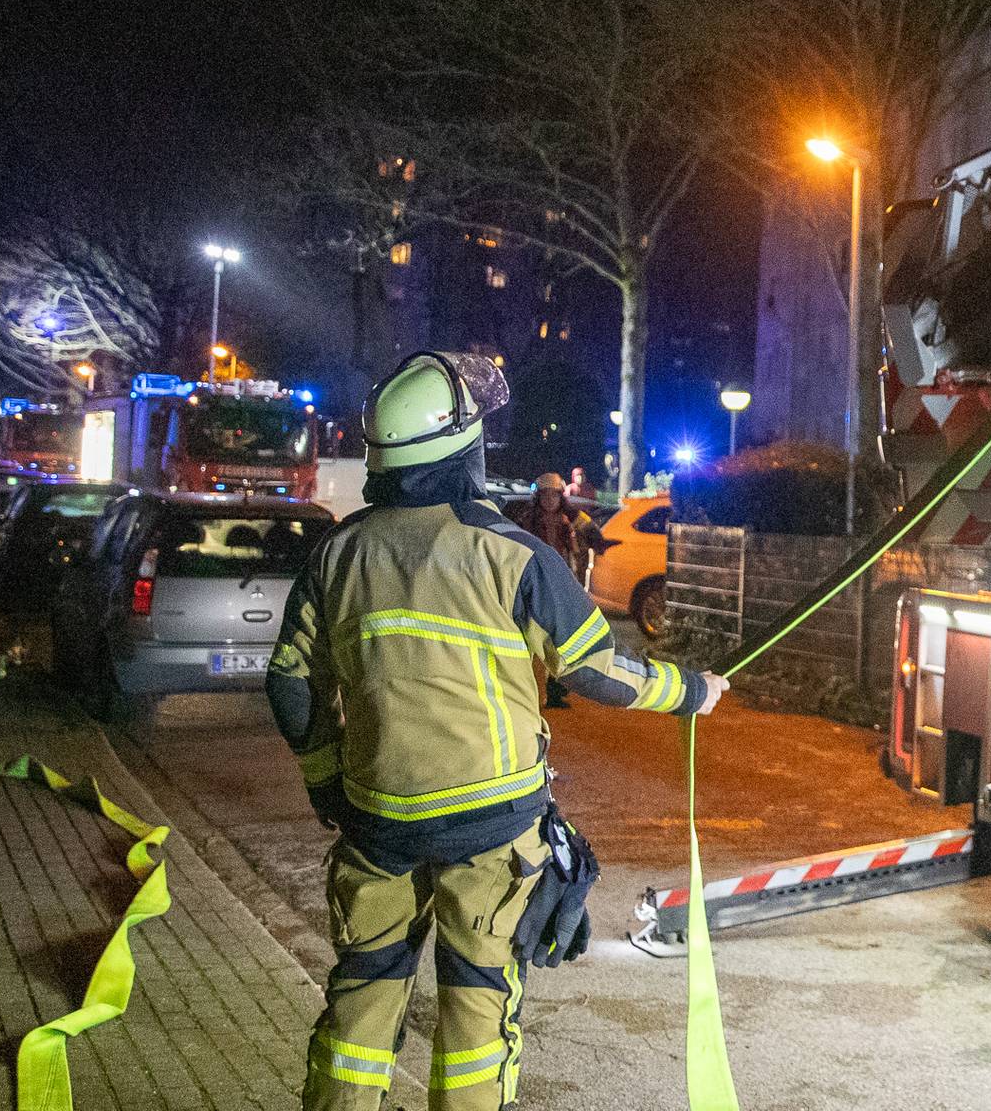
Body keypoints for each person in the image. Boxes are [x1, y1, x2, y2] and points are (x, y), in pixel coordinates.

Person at [265, 351, 727, 1110]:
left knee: (360, 1001)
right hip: (490, 828)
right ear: (463, 450)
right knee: (477, 1007)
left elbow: (288, 681)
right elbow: (597, 673)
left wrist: (325, 782)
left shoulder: (337, 553)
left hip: (375, 820)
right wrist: (691, 691)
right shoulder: (514, 555)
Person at [504, 473, 598, 709]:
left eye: (554, 495)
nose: (549, 500)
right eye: (545, 495)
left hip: (558, 583)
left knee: (558, 642)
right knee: (531, 644)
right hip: (531, 583)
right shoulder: (526, 520)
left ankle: (555, 691)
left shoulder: (569, 521)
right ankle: (529, 693)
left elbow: (586, 538)